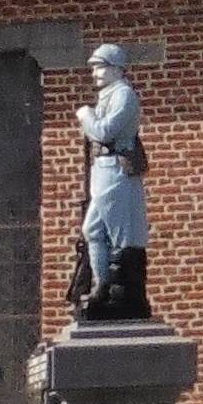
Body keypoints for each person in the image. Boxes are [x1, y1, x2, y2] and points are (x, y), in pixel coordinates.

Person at [71, 45, 149, 322]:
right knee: (92, 228)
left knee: (119, 234)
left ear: (116, 68)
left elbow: (104, 132)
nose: (95, 73)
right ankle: (102, 286)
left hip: (115, 167)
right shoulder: (108, 96)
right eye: (93, 67)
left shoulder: (124, 96)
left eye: (100, 66)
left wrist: (85, 115)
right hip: (102, 168)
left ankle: (119, 292)